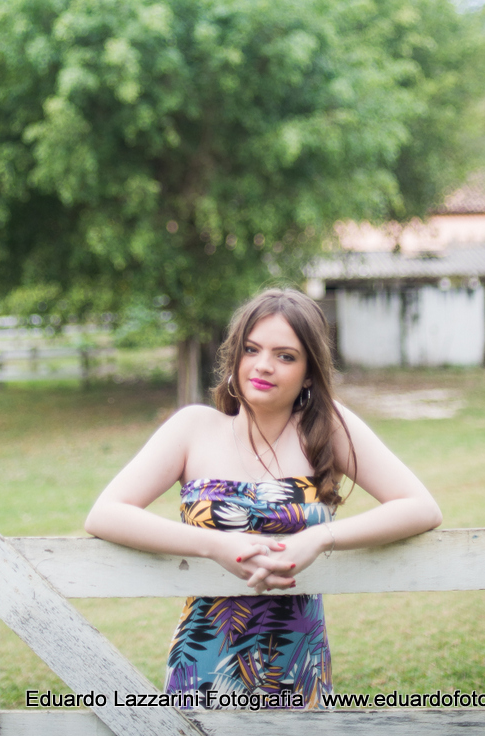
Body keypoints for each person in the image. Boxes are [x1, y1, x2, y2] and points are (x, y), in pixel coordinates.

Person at [85, 287, 442, 708]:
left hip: (296, 660)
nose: (263, 366)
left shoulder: (327, 427)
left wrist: (318, 539)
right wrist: (216, 544)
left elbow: (420, 506)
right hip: (204, 657)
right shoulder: (193, 429)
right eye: (251, 349)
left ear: (309, 371)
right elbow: (105, 514)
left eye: (285, 356)